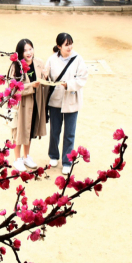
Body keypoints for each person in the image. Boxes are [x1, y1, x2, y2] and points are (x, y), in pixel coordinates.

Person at [44, 33, 88, 174]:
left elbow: (82, 78)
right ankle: (53, 156)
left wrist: (68, 84)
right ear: (59, 46)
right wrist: (45, 75)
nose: (70, 47)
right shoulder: (51, 59)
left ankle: (67, 161)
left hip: (71, 100)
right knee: (54, 131)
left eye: (71, 43)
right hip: (55, 99)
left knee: (70, 133)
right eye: (66, 44)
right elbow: (48, 77)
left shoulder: (78, 59)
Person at [9, 39, 50, 172]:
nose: (28, 52)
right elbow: (12, 88)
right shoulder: (16, 66)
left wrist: (45, 76)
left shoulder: (38, 63)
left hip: (35, 102)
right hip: (21, 105)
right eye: (25, 50)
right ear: (20, 52)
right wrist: (30, 86)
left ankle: (26, 157)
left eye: (30, 49)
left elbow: (43, 83)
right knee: (19, 131)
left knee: (29, 130)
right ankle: (17, 159)